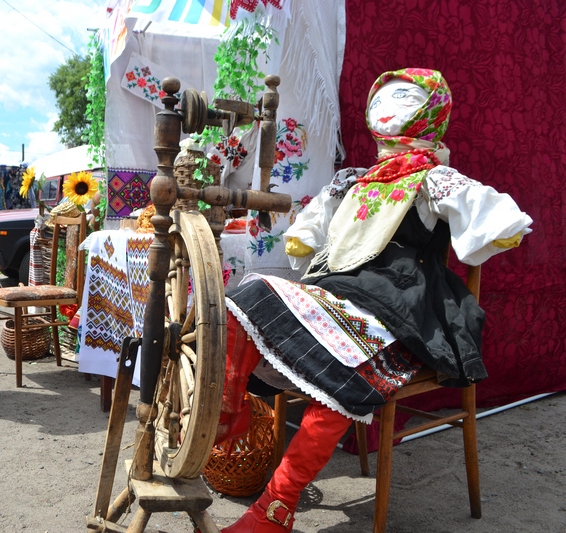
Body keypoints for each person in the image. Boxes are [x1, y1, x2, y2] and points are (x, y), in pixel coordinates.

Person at [219, 68, 532, 531]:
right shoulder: (356, 180)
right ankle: (229, 416)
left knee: (345, 379)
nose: (391, 106)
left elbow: (497, 218)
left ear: (432, 112)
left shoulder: (435, 180)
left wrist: (498, 225)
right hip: (340, 294)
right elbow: (307, 234)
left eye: (407, 99)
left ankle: (276, 507)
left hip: (400, 309)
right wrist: (311, 250)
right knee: (247, 296)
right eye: (389, 97)